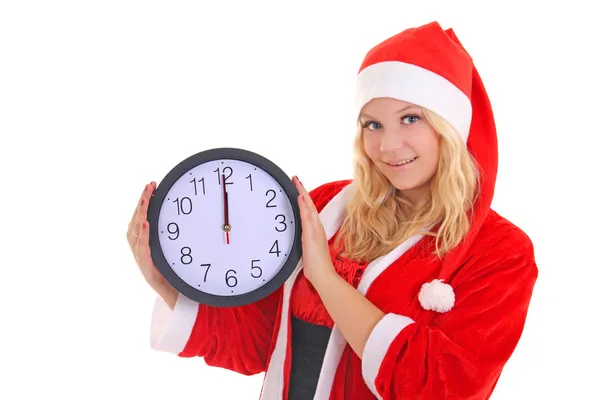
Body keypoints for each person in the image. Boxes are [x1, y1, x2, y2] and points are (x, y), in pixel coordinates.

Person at [126, 21, 538, 400]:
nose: (388, 146)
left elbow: (441, 388)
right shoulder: (327, 207)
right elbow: (262, 343)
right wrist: (167, 283)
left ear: (451, 127)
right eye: (372, 124)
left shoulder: (500, 253)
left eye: (410, 118)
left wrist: (324, 277)